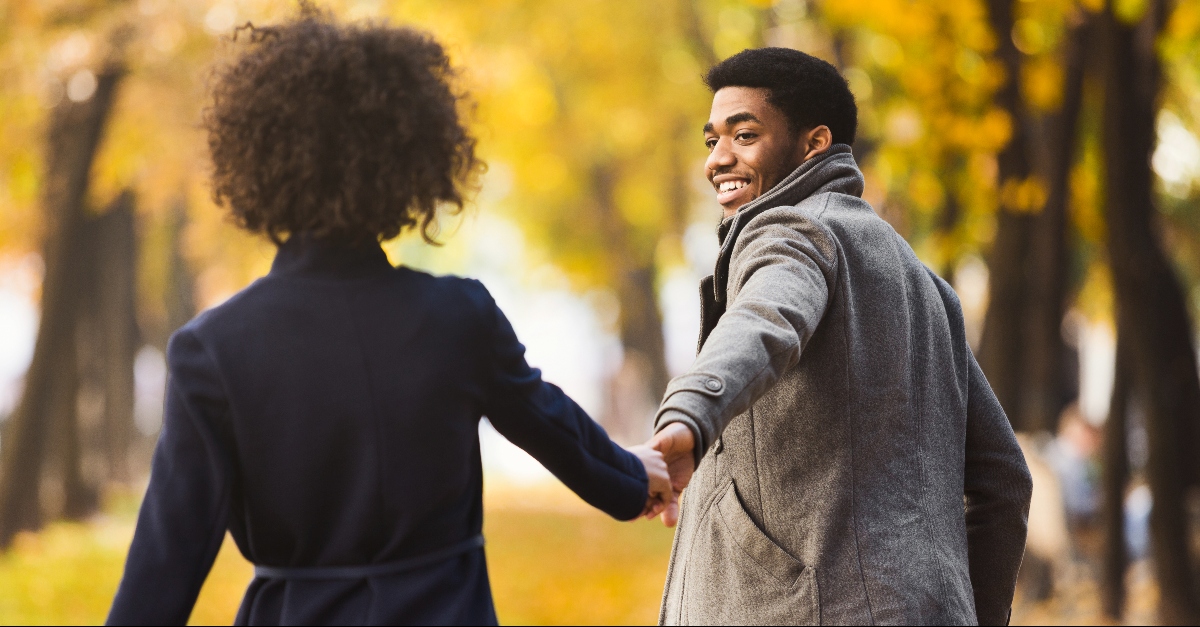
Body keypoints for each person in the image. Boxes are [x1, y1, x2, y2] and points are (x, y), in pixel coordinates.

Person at [106, 11, 670, 626]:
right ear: (411, 162)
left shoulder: (213, 350)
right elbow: (550, 425)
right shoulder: (460, 315)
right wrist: (634, 479)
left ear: (257, 164)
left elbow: (170, 553)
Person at [647, 48, 1033, 625]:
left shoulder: (792, 231)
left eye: (744, 135)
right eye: (711, 141)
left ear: (814, 143)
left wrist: (692, 410)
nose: (717, 160)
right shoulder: (925, 284)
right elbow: (1005, 480)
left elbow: (767, 320)